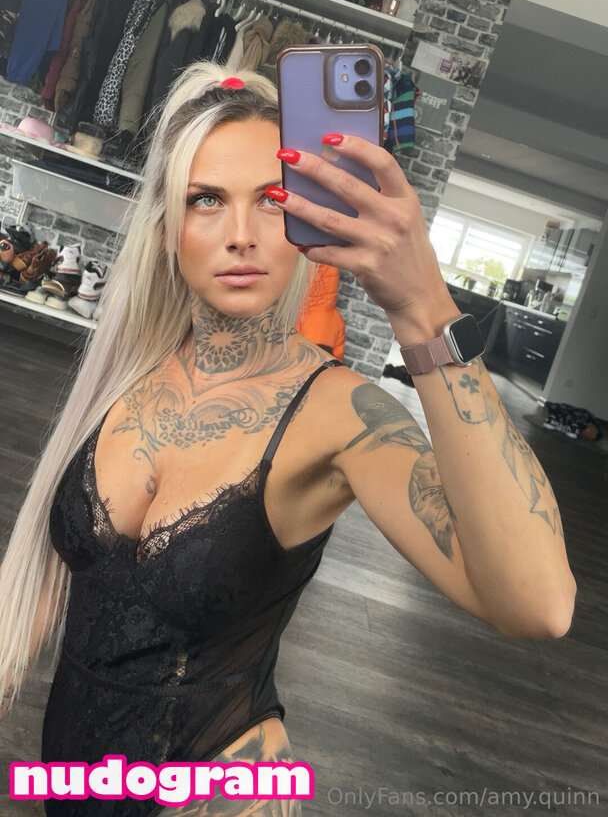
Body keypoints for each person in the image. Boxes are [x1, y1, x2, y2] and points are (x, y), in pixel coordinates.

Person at [0, 61, 576, 816]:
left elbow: (538, 604)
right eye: (206, 199)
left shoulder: (339, 413)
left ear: (309, 216)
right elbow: (53, 580)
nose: (240, 235)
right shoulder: (127, 370)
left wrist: (424, 308)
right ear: (169, 224)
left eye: (273, 200)